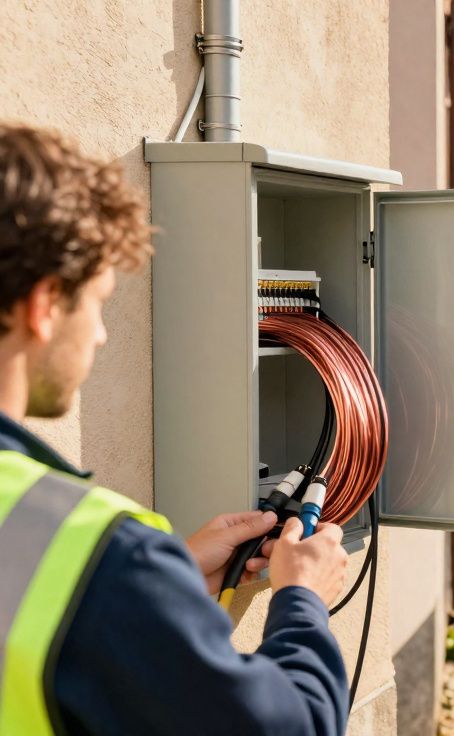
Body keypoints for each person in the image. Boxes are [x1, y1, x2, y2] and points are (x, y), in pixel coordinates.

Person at [0, 124, 350, 735]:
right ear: (46, 305)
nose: (102, 334)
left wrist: (172, 580)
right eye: (99, 304)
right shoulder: (93, 550)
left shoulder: (97, 566)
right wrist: (304, 601)